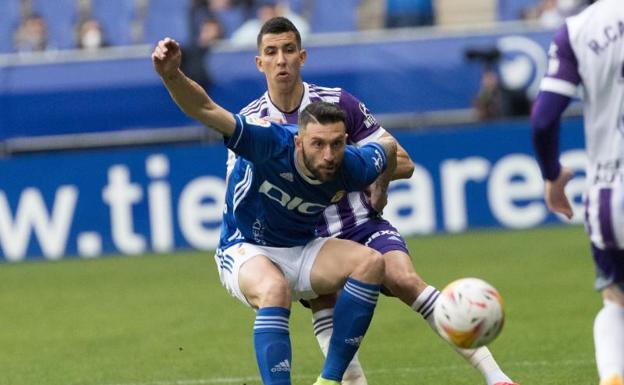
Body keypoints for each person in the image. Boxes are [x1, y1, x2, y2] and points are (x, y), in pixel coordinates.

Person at [235, 16, 519, 385]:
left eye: (289, 50)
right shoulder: (251, 123)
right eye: (271, 52)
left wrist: (376, 179)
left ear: (302, 56)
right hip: (305, 238)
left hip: (359, 223)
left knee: (404, 278)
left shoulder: (339, 104)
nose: (281, 60)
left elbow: (401, 159)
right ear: (260, 63)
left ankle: (498, 378)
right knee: (326, 304)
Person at [152, 37, 398, 385]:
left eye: (336, 145)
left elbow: (386, 148)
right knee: (275, 289)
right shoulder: (267, 141)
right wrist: (172, 75)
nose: (328, 155)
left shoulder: (350, 164)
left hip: (301, 246)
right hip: (246, 247)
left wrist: (381, 189)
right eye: (317, 144)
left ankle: (329, 380)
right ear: (298, 141)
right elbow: (205, 109)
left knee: (371, 263)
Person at [531, 1, 624, 384]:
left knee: (616, 299)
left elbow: (543, 118)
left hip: (611, 193)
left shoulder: (577, 29)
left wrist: (552, 175)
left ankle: (614, 376)